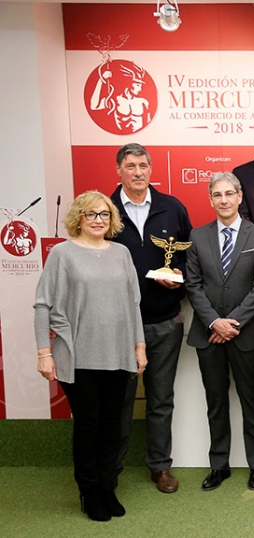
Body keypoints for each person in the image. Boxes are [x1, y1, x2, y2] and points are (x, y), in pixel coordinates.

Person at [34, 191, 147, 522]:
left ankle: (108, 486)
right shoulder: (63, 255)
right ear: (78, 218)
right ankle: (89, 491)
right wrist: (44, 353)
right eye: (91, 214)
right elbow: (43, 304)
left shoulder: (122, 253)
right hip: (78, 355)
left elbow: (133, 305)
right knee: (89, 425)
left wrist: (139, 346)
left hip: (119, 353)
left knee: (113, 425)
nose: (98, 220)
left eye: (104, 215)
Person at [111, 143, 192, 494]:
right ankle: (110, 469)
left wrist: (177, 275)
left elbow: (192, 258)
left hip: (164, 321)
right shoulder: (105, 210)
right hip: (117, 325)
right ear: (119, 171)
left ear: (151, 168)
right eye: (130, 166)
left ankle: (160, 467)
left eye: (143, 165)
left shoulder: (171, 208)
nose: (138, 172)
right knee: (119, 401)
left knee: (161, 398)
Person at [184, 172, 254, 492]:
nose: (223, 200)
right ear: (211, 200)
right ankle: (219, 465)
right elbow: (193, 286)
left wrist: (232, 323)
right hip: (208, 335)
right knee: (216, 402)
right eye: (217, 195)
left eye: (229, 194)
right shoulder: (197, 236)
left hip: (244, 334)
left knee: (251, 400)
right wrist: (214, 322)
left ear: (239, 197)